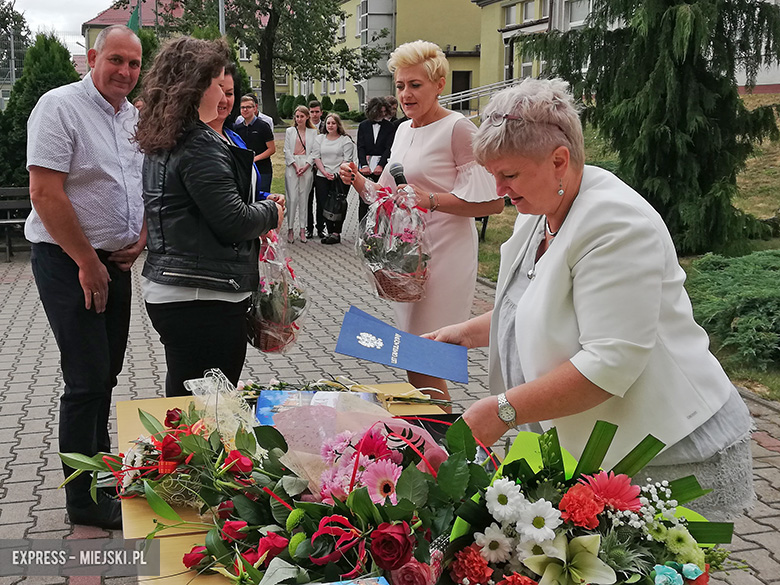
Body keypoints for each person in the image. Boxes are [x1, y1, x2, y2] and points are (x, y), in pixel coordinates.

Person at [424, 78, 754, 520]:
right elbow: (534, 304)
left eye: (509, 174)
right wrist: (465, 333)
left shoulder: (616, 225)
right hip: (595, 450)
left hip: (669, 455)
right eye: (493, 174)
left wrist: (502, 411)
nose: (498, 188)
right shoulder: (541, 209)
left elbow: (609, 362)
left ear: (560, 160)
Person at [25, 24, 145, 530]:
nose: (124, 71)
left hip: (113, 263)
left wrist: (140, 235)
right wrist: (86, 262)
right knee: (86, 378)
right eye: (115, 60)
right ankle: (85, 502)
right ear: (92, 57)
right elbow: (45, 192)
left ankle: (101, 475)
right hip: (67, 260)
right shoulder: (59, 106)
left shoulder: (132, 115)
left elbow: (137, 181)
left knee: (106, 373)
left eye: (134, 64)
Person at [341, 41, 504, 399]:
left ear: (439, 83)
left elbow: (492, 203)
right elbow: (386, 195)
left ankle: (444, 444)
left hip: (446, 254)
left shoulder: (458, 128)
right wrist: (356, 179)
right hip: (407, 258)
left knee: (426, 357)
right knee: (413, 359)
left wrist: (430, 200)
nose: (405, 94)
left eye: (415, 85)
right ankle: (434, 440)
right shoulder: (402, 130)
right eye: (400, 86)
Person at [136, 36, 283, 397]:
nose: (224, 95)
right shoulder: (199, 142)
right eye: (218, 84)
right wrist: (271, 212)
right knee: (207, 407)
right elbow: (232, 220)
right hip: (202, 296)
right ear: (195, 85)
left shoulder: (172, 134)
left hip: (181, 289)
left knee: (189, 397)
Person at [312, 113, 355, 245]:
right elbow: (316, 157)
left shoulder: (345, 140)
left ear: (338, 125)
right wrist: (324, 172)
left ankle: (337, 232)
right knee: (324, 203)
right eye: (328, 123)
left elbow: (347, 159)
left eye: (333, 123)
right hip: (322, 176)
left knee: (338, 204)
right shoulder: (319, 139)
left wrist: (336, 174)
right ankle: (329, 231)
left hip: (340, 176)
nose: (330, 125)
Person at [355, 97, 395, 223]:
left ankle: (381, 228)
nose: (383, 114)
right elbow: (360, 146)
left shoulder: (389, 126)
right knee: (364, 199)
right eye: (380, 112)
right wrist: (364, 165)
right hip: (366, 165)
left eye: (384, 112)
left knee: (382, 198)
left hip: (381, 165)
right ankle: (363, 228)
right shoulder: (363, 126)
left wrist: (381, 165)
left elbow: (389, 147)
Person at [283, 105, 318, 243]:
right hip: (293, 164)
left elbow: (315, 152)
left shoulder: (313, 132)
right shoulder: (290, 131)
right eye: (297, 116)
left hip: (307, 164)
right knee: (292, 198)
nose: (299, 119)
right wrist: (295, 165)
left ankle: (303, 229)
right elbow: (286, 150)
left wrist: (307, 165)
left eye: (301, 116)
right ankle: (290, 228)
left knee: (304, 198)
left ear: (307, 117)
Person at [234, 93, 276, 194]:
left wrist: (254, 159)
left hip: (263, 170)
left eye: (248, 107)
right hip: (245, 171)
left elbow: (271, 149)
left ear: (254, 108)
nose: (245, 110)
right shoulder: (237, 128)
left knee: (262, 200)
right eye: (243, 107)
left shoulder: (263, 126)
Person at [306, 100, 328, 239]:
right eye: (312, 112)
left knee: (321, 199)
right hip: (308, 168)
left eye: (317, 112)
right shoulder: (305, 127)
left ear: (321, 112)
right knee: (308, 199)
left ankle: (321, 227)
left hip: (322, 169)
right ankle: (308, 228)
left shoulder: (327, 126)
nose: (314, 115)